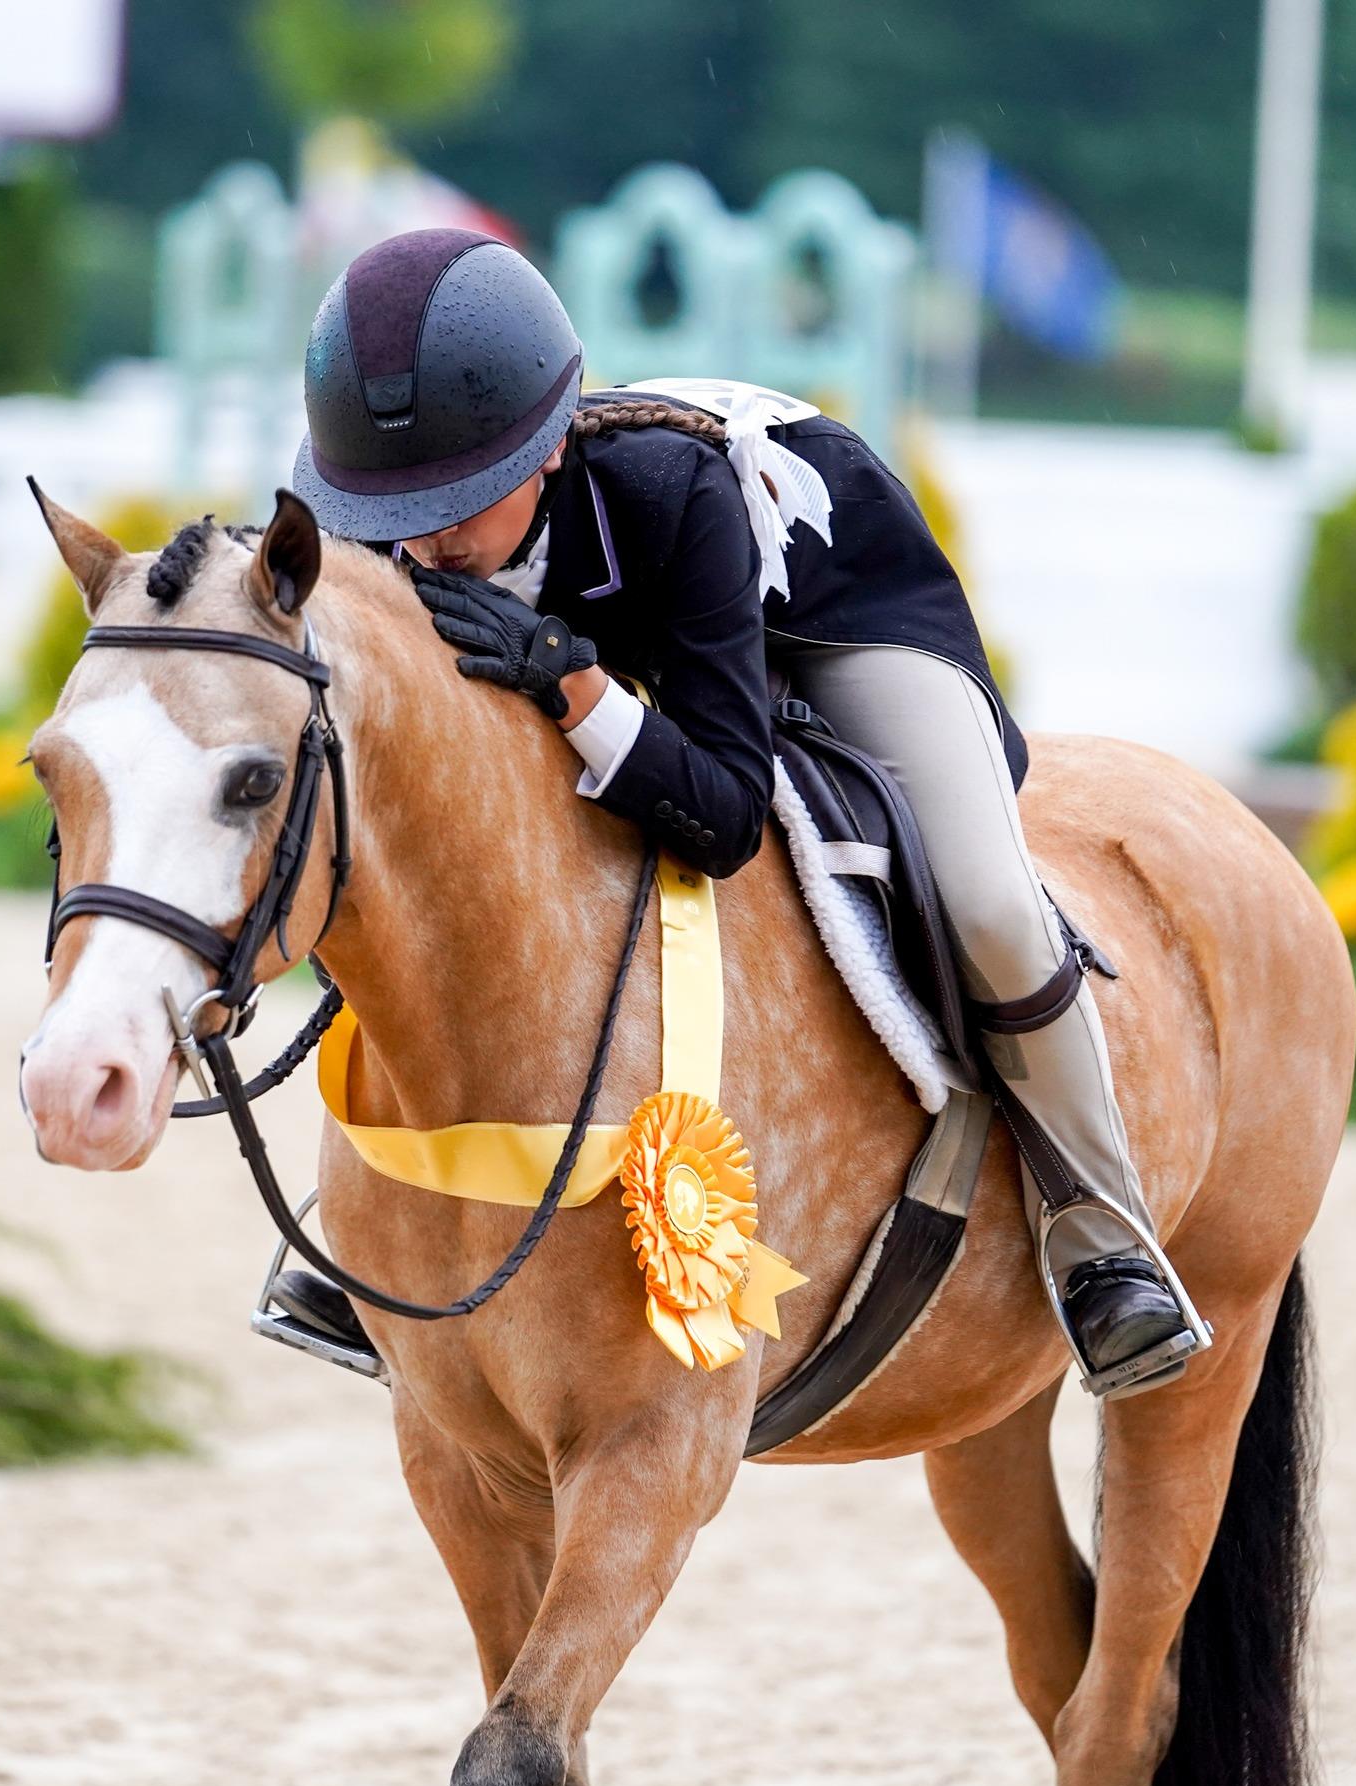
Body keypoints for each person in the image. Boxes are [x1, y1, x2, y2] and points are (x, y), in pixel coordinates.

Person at [273, 227, 1199, 1397]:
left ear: (552, 448)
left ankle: (1100, 1236)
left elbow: (717, 814)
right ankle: (354, 1211)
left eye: (460, 504)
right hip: (645, 629)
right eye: (396, 507)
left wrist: (573, 684)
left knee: (986, 898)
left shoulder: (670, 490)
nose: (425, 543)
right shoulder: (384, 520)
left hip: (831, 600)